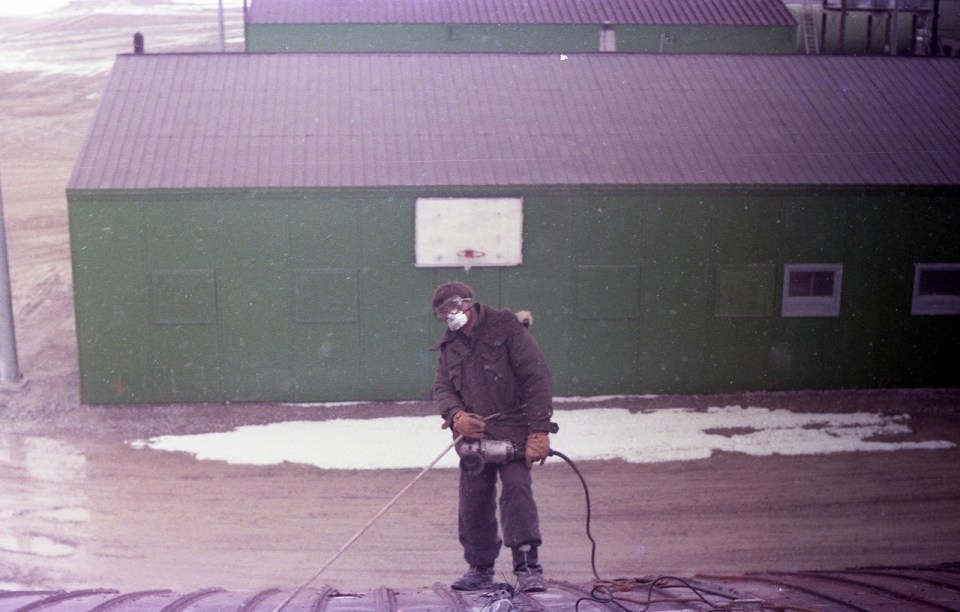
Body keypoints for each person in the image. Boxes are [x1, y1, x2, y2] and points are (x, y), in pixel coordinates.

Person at [429, 281, 558, 593]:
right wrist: (456, 417)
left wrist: (539, 430)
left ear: (470, 303)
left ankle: (527, 566)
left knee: (517, 490)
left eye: (455, 306)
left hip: (515, 428)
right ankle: (480, 567)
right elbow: (442, 387)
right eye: (443, 311)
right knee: (473, 501)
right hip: (474, 435)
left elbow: (536, 377)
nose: (451, 314)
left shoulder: (507, 329)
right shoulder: (451, 345)